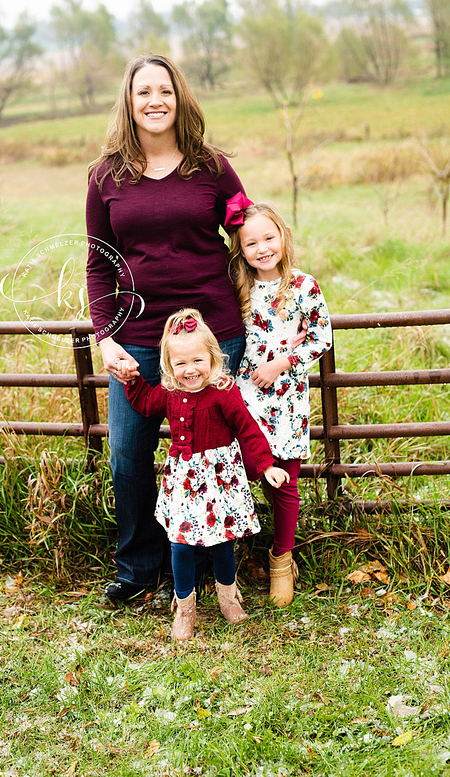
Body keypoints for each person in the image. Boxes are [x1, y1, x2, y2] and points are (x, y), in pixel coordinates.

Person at [86, 53, 253, 603]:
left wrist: (272, 297)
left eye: (165, 90)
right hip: (136, 333)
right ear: (129, 103)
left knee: (212, 452)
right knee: (129, 456)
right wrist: (105, 336)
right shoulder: (106, 176)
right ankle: (138, 571)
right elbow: (98, 263)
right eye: (143, 92)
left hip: (212, 335)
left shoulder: (212, 167)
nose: (155, 101)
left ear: (179, 98)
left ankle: (212, 568)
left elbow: (248, 235)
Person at [117, 309, 290, 641]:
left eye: (197, 360)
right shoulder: (168, 393)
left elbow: (248, 429)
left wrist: (267, 465)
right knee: (180, 545)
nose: (190, 370)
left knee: (222, 545)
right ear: (169, 366)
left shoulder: (223, 393)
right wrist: (132, 380)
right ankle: (185, 610)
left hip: (219, 479)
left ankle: (228, 598)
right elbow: (144, 404)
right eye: (180, 363)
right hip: (183, 480)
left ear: (212, 358)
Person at [227, 201, 333, 607]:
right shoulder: (238, 288)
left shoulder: (303, 285)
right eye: (251, 242)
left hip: (285, 398)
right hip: (243, 396)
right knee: (245, 470)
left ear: (283, 237)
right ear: (241, 249)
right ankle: (233, 558)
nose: (262, 248)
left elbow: (321, 337)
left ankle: (281, 560)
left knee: (285, 481)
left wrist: (282, 363)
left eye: (269, 238)